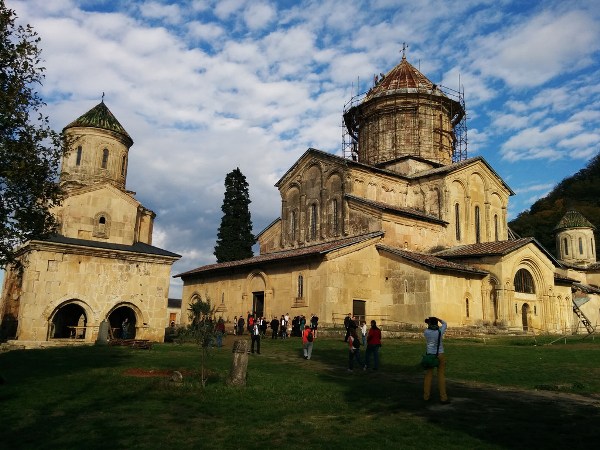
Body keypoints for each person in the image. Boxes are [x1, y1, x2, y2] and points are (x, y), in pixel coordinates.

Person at [423, 316, 448, 404]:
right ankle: (443, 398)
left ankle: (426, 396)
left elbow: (428, 327)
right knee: (441, 376)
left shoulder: (426, 332)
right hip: (440, 354)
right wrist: (438, 319)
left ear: (429, 324)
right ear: (436, 323)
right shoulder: (440, 331)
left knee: (428, 376)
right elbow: (445, 324)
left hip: (430, 355)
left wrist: (430, 323)